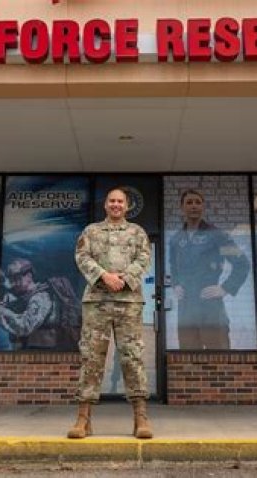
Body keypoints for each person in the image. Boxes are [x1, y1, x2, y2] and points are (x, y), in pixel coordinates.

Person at [68, 187, 152, 439]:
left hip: (128, 303)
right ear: (105, 205)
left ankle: (140, 418)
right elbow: (82, 256)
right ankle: (83, 419)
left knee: (132, 357)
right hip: (97, 302)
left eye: (120, 201)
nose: (116, 205)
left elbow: (144, 258)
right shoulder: (91, 231)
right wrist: (104, 276)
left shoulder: (137, 232)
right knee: (91, 357)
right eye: (112, 201)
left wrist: (123, 279)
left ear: (127, 206)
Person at [168, 189, 249, 349]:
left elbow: (242, 263)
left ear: (203, 207)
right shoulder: (176, 239)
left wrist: (226, 288)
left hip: (211, 310)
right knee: (188, 359)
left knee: (219, 358)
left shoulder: (216, 235)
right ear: (182, 207)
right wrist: (175, 284)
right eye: (189, 202)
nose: (194, 206)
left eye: (198, 202)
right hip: (186, 311)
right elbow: (173, 267)